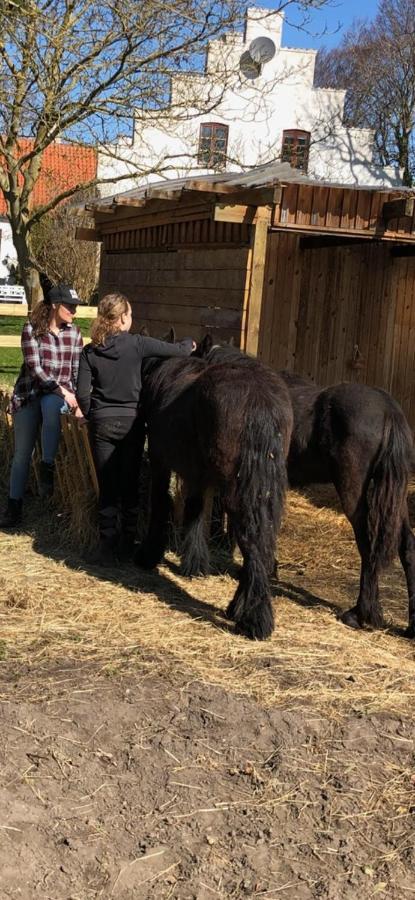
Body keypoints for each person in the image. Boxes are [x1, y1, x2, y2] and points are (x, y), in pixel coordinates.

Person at [76, 292, 196, 565]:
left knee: (108, 485)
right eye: (129, 313)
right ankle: (128, 543)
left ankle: (107, 545)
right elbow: (177, 350)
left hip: (103, 425)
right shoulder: (138, 344)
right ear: (122, 318)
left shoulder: (90, 351)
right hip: (132, 423)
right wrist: (189, 343)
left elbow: (82, 393)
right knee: (130, 485)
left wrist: (92, 414)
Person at [0, 284, 84, 529]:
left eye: (76, 307)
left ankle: (47, 464)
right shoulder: (31, 330)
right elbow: (35, 369)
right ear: (55, 305)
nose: (74, 311)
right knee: (21, 455)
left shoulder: (75, 334)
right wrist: (61, 390)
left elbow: (77, 372)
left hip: (57, 397)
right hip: (30, 393)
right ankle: (13, 508)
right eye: (70, 306)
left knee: (51, 405)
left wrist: (77, 398)